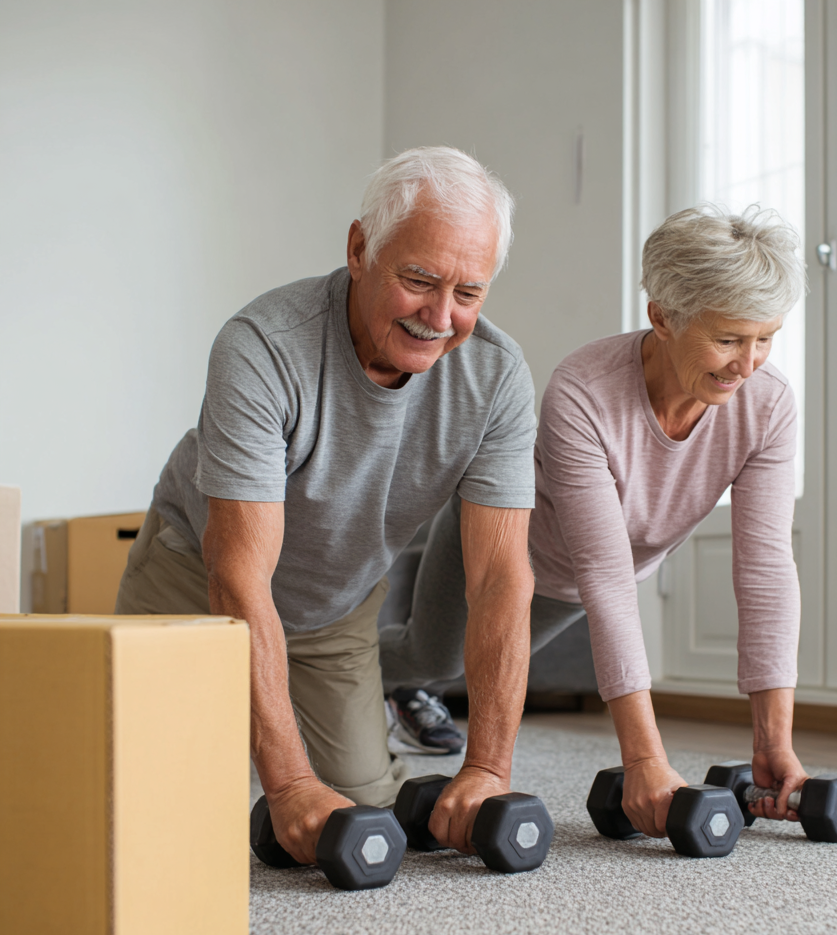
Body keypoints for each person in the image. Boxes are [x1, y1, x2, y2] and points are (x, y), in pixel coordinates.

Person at [116, 147, 537, 862]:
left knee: (363, 807)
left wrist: (489, 769)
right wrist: (286, 786)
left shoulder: (496, 379)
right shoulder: (262, 347)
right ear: (359, 248)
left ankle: (347, 736)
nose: (441, 316)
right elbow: (238, 578)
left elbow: (499, 580)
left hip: (336, 605)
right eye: (419, 280)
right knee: (132, 796)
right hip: (197, 582)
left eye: (469, 293)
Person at [381, 204, 809, 835]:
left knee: (474, 667)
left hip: (574, 581)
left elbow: (766, 568)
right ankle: (325, 662)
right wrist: (643, 759)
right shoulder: (584, 389)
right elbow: (605, 576)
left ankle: (390, 686)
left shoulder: (767, 405)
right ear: (661, 316)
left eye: (764, 339)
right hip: (510, 543)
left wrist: (775, 739)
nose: (748, 366)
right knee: (433, 656)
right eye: (727, 340)